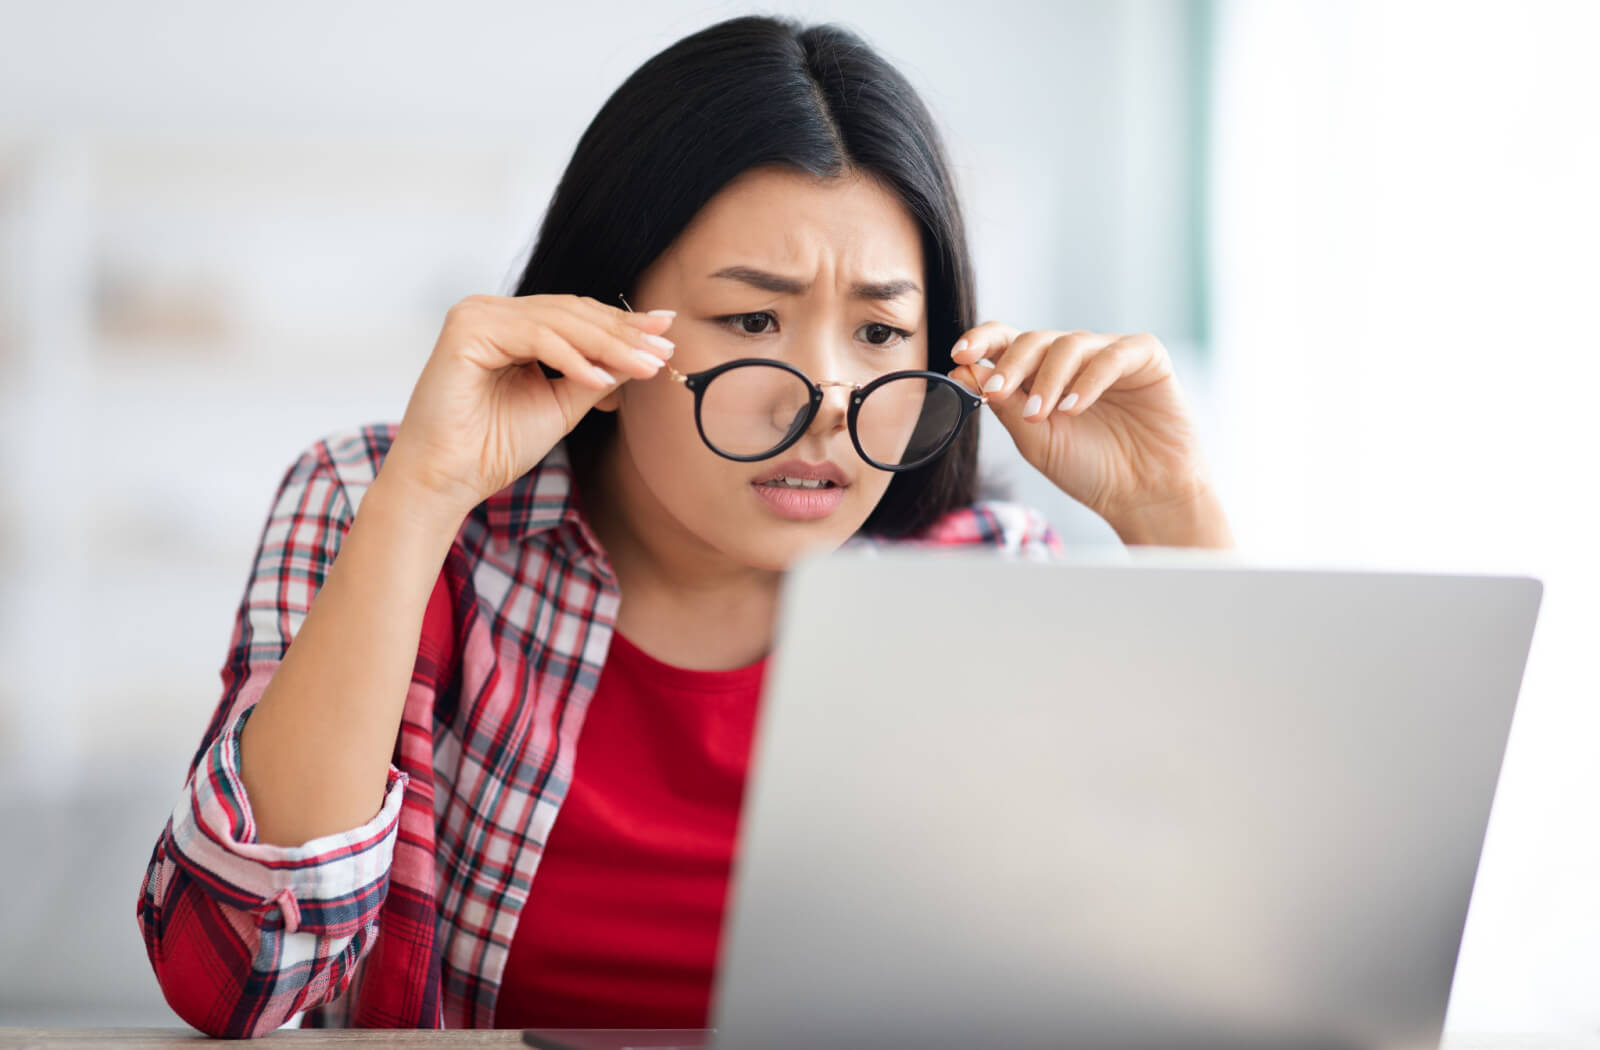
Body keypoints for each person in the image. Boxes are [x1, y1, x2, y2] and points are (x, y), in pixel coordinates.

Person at [135, 13, 1234, 1038]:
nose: (824, 398)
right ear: (605, 331)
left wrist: (1169, 509)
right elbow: (234, 977)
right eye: (752, 317)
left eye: (880, 332)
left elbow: (1234, 964)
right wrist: (422, 494)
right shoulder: (383, 501)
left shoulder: (989, 586)